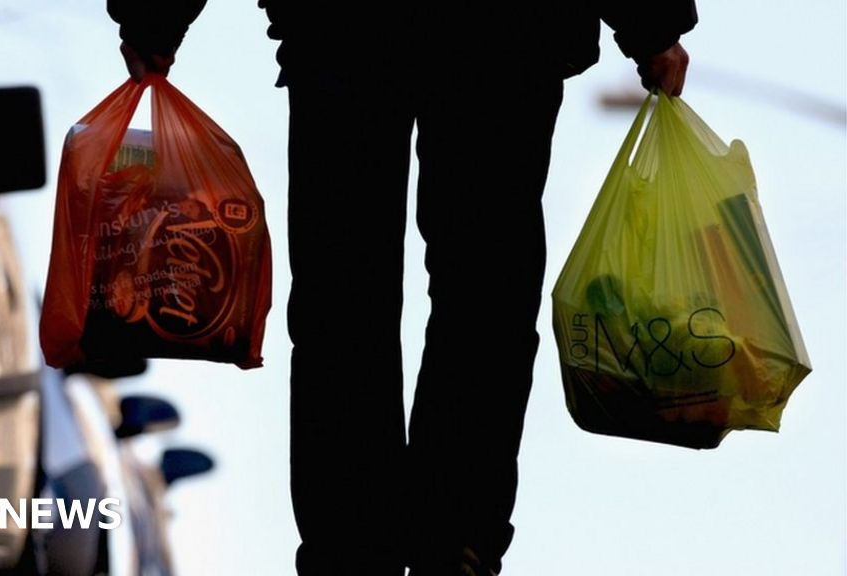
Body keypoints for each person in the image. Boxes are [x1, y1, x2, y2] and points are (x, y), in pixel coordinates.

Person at [106, 2, 696, 575]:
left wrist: (155, 16)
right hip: (505, 36)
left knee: (343, 300)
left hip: (345, 31)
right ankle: (458, 535)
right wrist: (652, 24)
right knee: (484, 295)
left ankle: (350, 544)